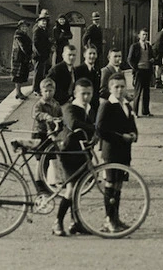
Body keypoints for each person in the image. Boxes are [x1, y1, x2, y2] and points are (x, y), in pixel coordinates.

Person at [95, 73, 138, 233]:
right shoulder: (107, 105)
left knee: (119, 186)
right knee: (110, 184)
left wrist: (134, 134)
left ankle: (116, 218)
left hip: (124, 151)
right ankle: (108, 220)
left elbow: (131, 124)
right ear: (110, 88)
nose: (119, 90)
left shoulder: (126, 105)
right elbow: (100, 129)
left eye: (122, 86)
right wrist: (121, 136)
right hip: (111, 152)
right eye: (116, 87)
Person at [53, 78, 96, 237]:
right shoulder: (69, 108)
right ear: (75, 94)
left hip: (81, 152)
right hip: (68, 151)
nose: (86, 97)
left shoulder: (89, 107)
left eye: (89, 94)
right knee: (70, 189)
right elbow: (74, 124)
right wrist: (94, 128)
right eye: (82, 94)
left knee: (78, 189)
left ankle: (75, 223)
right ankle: (57, 222)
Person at [127, 28, 154, 116]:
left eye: (146, 34)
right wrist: (135, 68)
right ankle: (135, 111)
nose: (145, 36)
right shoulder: (134, 46)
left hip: (147, 71)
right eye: (143, 34)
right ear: (139, 36)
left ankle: (145, 111)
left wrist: (152, 60)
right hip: (139, 71)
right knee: (137, 92)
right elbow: (130, 59)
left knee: (146, 92)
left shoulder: (149, 46)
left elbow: (152, 56)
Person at [75, 45, 102, 123]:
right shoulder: (78, 70)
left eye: (94, 53)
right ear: (84, 55)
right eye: (90, 53)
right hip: (82, 104)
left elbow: (97, 89)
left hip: (94, 105)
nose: (92, 56)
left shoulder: (97, 70)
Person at [11, 20, 33, 100]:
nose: (25, 28)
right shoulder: (19, 36)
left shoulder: (24, 35)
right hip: (19, 58)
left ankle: (19, 92)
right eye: (23, 27)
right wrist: (29, 54)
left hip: (23, 58)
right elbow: (23, 47)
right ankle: (18, 92)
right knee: (18, 76)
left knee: (21, 75)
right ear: (20, 28)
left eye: (26, 27)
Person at [32, 16, 53, 95]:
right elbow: (36, 44)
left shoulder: (44, 31)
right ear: (38, 23)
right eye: (42, 21)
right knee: (38, 73)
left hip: (44, 55)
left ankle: (39, 88)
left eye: (45, 21)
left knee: (42, 73)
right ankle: (36, 89)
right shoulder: (37, 31)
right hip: (39, 56)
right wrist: (40, 54)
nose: (44, 23)